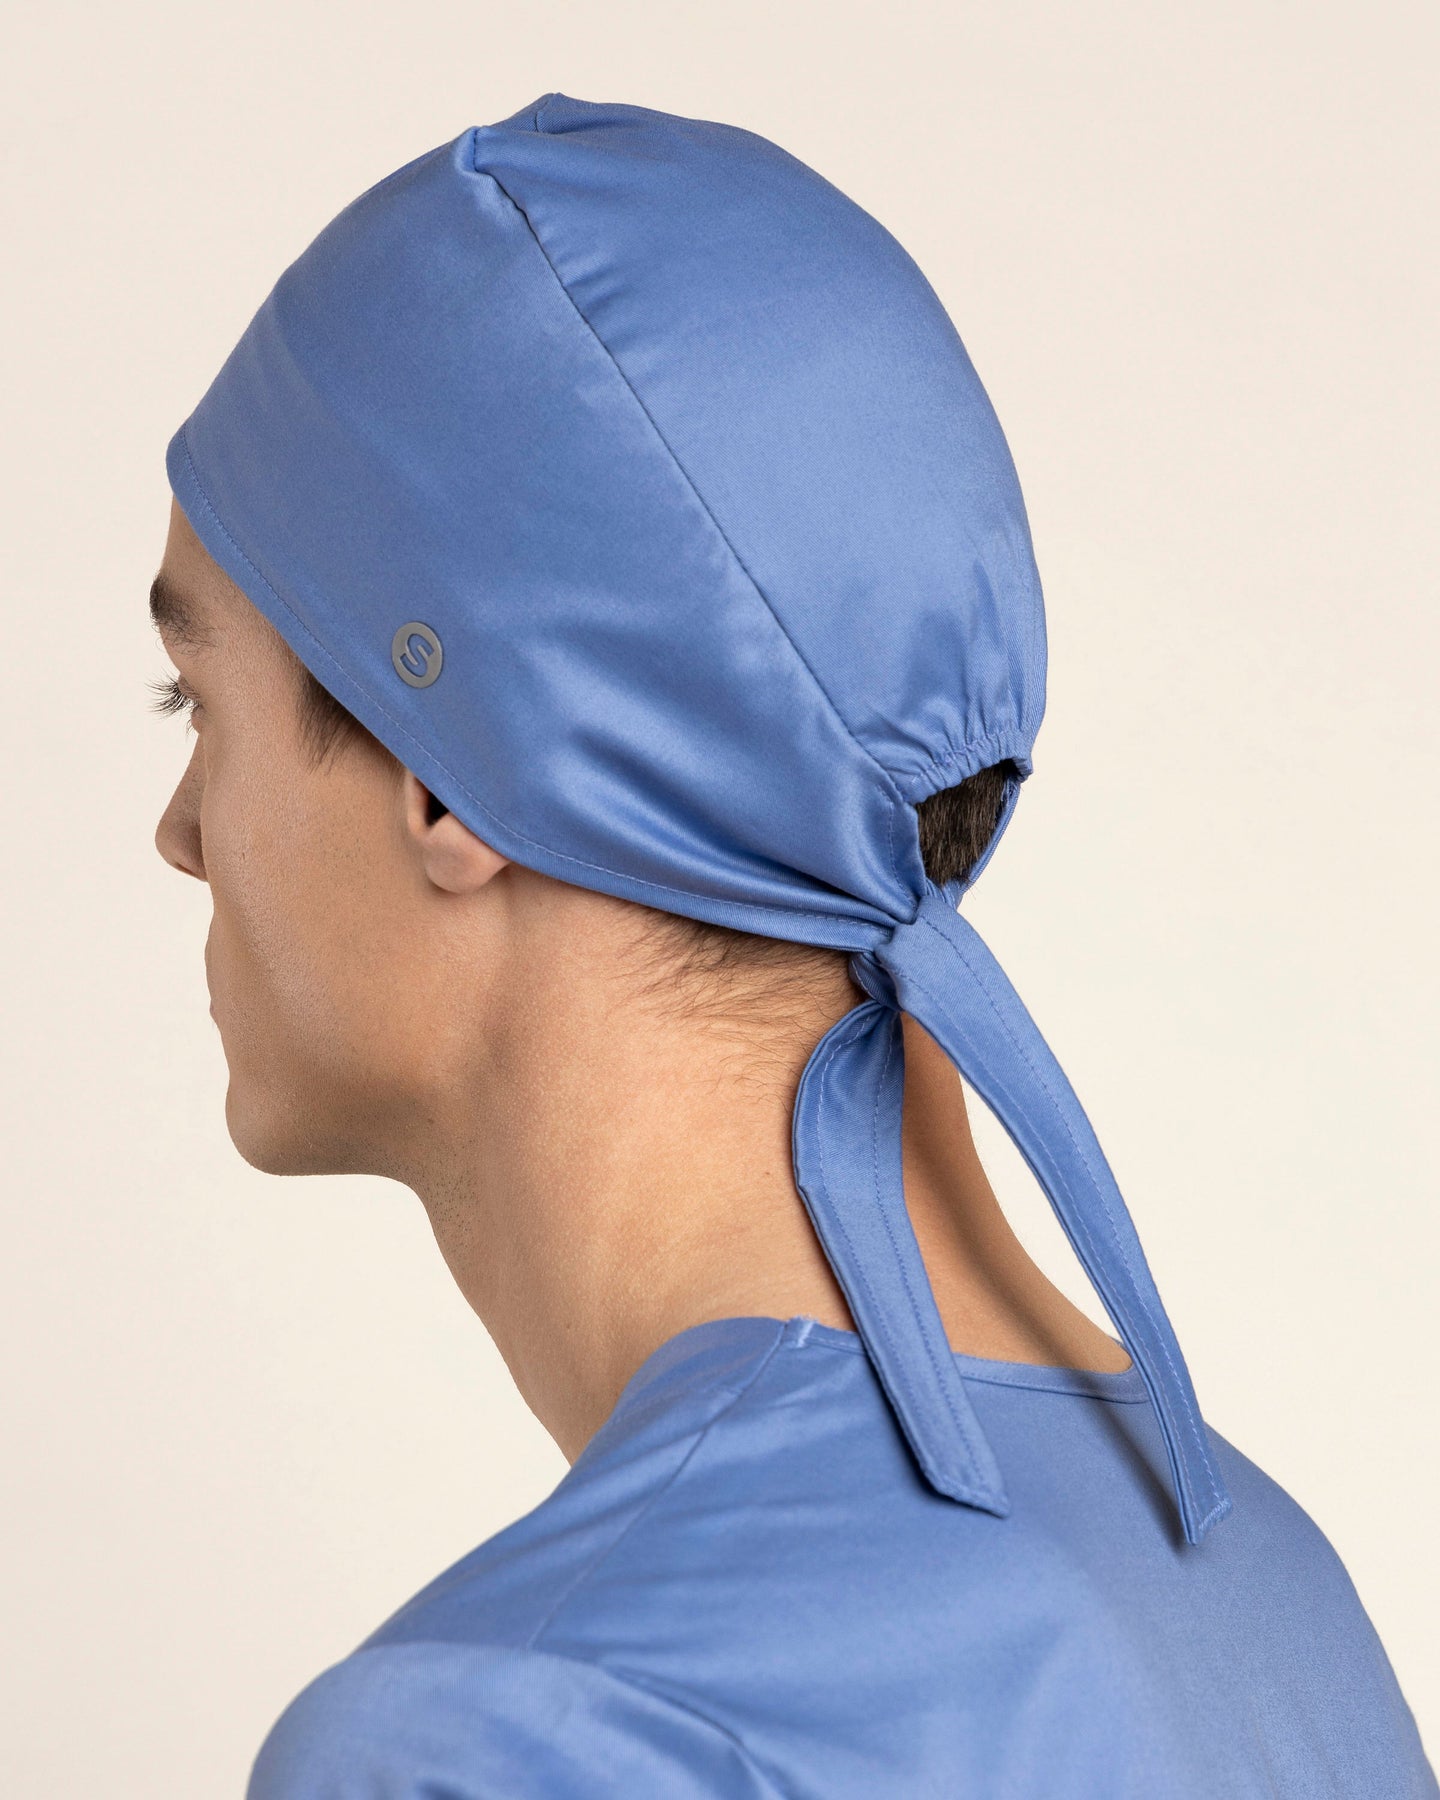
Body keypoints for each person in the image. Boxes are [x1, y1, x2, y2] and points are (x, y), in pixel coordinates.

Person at [150, 92, 1436, 1797]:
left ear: (451, 773)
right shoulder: (1271, 1600)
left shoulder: (517, 1736)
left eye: (194, 701)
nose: (179, 831)